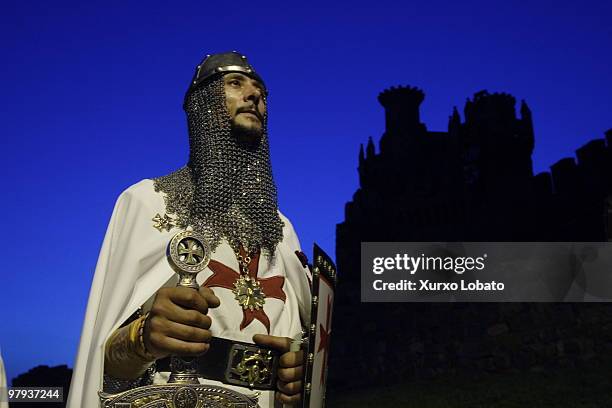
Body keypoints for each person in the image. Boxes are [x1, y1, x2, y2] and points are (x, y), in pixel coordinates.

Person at [67, 51, 312, 408]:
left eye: (260, 88)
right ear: (205, 106)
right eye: (235, 83)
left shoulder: (280, 228)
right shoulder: (148, 201)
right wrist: (143, 339)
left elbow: (302, 341)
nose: (254, 94)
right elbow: (101, 360)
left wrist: (296, 371)